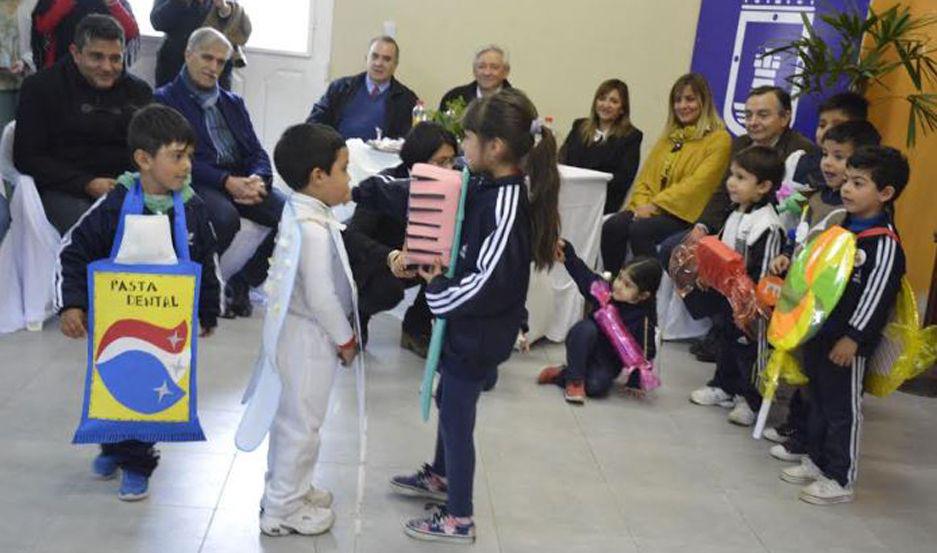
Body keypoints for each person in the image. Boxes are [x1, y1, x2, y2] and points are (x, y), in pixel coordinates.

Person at [352, 88, 561, 543]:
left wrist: (438, 291)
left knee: (457, 417)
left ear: (496, 147)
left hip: (482, 327)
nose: (461, 150)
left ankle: (459, 516)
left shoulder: (508, 202)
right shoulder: (485, 182)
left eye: (467, 139)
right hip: (468, 319)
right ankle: (443, 476)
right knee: (450, 400)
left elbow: (491, 278)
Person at [55, 103, 221, 501]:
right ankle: (116, 446)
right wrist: (72, 303)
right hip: (117, 324)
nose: (186, 166)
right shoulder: (115, 203)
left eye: (190, 157)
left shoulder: (194, 209)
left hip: (167, 331)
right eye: (177, 156)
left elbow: (207, 264)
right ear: (143, 160)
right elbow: (73, 250)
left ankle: (138, 462)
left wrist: (207, 312)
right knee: (118, 383)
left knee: (151, 393)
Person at [780, 146, 909, 505]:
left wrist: (853, 338)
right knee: (817, 399)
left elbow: (876, 297)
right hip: (821, 332)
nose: (847, 189)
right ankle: (816, 460)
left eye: (858, 182)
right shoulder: (843, 227)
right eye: (848, 181)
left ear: (885, 193)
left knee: (842, 409)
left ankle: (840, 476)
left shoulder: (883, 244)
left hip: (847, 344)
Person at [664, 85, 817, 364]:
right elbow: (723, 194)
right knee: (675, 250)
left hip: (771, 238)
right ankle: (716, 322)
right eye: (748, 115)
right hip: (734, 224)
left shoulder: (803, 154)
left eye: (763, 115)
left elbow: (800, 210)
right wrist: (702, 228)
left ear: (784, 118)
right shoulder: (742, 143)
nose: (753, 122)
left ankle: (738, 332)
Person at [258, 122, 357, 536]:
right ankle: (283, 508)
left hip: (293, 332)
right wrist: (345, 338)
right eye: (344, 170)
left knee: (293, 419)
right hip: (310, 336)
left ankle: (290, 489)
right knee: (303, 424)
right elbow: (321, 294)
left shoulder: (299, 208)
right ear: (318, 176)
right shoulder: (314, 229)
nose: (350, 179)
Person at [765, 120, 881, 463]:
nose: (828, 163)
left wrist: (855, 335)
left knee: (834, 397)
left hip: (840, 322)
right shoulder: (814, 199)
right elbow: (800, 239)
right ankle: (803, 440)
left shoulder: (864, 227)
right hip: (810, 307)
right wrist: (787, 256)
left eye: (839, 157)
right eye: (826, 155)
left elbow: (870, 288)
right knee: (809, 378)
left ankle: (831, 464)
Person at [155, 27, 282, 318]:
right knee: (225, 218)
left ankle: (243, 280)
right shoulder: (165, 100)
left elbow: (256, 151)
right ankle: (201, 286)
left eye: (220, 62)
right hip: (199, 179)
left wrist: (259, 179)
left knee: (292, 215)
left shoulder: (232, 103)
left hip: (241, 178)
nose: (213, 68)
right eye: (207, 58)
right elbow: (175, 158)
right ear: (188, 55)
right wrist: (226, 182)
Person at [14, 13, 152, 234]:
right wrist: (86, 183)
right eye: (96, 57)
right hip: (64, 187)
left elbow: (149, 150)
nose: (107, 67)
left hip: (125, 187)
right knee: (93, 229)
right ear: (75, 54)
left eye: (116, 58)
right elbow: (26, 157)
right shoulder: (40, 88)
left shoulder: (140, 92)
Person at [687, 146, 785, 426]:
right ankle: (724, 386)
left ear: (764, 186)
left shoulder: (768, 224)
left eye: (741, 178)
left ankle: (750, 399)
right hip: (726, 298)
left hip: (750, 307)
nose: (731, 182)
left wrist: (751, 308)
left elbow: (765, 275)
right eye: (732, 175)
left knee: (749, 352)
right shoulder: (734, 212)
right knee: (725, 341)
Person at [600, 73, 731, 275]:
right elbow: (646, 178)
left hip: (684, 213)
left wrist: (654, 206)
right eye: (677, 100)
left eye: (690, 99)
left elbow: (697, 185)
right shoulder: (670, 137)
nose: (682, 105)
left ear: (703, 102)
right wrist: (641, 206)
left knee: (640, 231)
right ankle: (612, 289)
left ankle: (649, 293)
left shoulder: (719, 139)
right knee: (613, 226)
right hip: (652, 208)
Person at [345, 121, 457, 355]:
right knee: (389, 289)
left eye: (451, 160)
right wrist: (391, 257)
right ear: (417, 159)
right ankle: (358, 315)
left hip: (418, 258)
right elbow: (354, 235)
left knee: (450, 267)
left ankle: (417, 326)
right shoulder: (387, 184)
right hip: (376, 259)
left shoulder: (451, 188)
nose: (448, 168)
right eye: (440, 161)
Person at [537, 248, 660, 403]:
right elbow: (584, 276)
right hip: (584, 346)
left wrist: (635, 382)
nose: (619, 285)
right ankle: (575, 381)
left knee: (596, 386)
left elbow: (644, 355)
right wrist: (568, 255)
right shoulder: (604, 292)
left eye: (627, 285)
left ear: (643, 295)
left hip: (606, 364)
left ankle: (563, 374)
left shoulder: (643, 321)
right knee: (584, 329)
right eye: (620, 278)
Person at [306, 35, 417, 140]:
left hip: (383, 158)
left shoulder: (407, 99)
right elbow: (315, 122)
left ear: (395, 64)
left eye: (386, 59)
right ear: (366, 59)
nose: (378, 63)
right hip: (339, 155)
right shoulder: (340, 88)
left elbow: (408, 139)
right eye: (374, 56)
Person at [560, 78, 642, 214]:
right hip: (569, 195)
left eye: (613, 101)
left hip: (600, 203)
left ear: (622, 109)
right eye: (602, 99)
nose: (606, 105)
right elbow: (563, 159)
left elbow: (623, 179)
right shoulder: (579, 126)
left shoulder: (631, 137)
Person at [150, 0, 247, 90]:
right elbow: (157, 22)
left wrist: (224, 7)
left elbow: (239, 28)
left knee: (217, 106)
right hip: (174, 64)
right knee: (169, 106)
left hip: (217, 68)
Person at [31, 0, 140, 69]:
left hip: (104, 67)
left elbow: (131, 32)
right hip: (62, 66)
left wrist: (112, 3)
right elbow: (42, 26)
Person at [438, 44, 512, 111]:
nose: (487, 72)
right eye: (481, 67)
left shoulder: (516, 103)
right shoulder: (453, 97)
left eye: (494, 67)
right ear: (474, 70)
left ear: (506, 72)